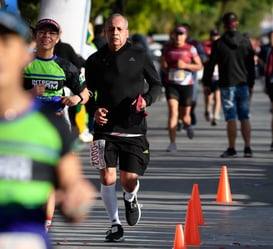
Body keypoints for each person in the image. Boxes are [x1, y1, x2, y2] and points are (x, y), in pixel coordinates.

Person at [0, 9, 96, 249]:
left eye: (7, 43)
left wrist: (76, 200)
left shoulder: (51, 128)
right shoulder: (28, 70)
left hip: (22, 238)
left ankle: (47, 223)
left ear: (23, 55)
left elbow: (72, 189)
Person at [85, 13, 161, 242]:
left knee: (128, 179)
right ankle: (114, 224)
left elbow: (156, 84)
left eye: (119, 29)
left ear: (126, 32)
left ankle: (130, 196)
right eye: (111, 29)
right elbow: (88, 94)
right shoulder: (95, 61)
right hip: (103, 129)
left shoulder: (139, 55)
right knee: (107, 177)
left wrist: (146, 100)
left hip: (133, 129)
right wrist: (94, 110)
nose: (115, 33)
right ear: (105, 32)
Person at [23, 18, 90, 232]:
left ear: (57, 37)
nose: (46, 36)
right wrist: (29, 94)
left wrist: (76, 100)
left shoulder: (64, 66)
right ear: (36, 36)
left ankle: (46, 225)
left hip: (55, 128)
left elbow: (86, 93)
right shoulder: (23, 63)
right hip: (27, 127)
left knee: (51, 177)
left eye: (51, 33)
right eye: (42, 32)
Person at [203, 12, 255, 158]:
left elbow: (211, 65)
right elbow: (251, 66)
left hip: (226, 84)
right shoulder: (245, 42)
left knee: (231, 117)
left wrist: (207, 83)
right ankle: (247, 148)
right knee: (245, 116)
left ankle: (232, 148)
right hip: (243, 83)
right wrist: (251, 84)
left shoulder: (218, 43)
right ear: (236, 23)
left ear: (224, 25)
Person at [161, 25, 203, 152]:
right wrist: (165, 65)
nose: (178, 36)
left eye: (181, 34)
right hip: (172, 84)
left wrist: (185, 65)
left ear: (186, 36)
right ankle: (172, 143)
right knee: (173, 112)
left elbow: (199, 66)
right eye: (176, 34)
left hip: (186, 85)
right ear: (173, 35)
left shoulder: (191, 49)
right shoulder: (167, 49)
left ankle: (188, 125)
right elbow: (163, 65)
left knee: (185, 116)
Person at [202, 29, 221, 126]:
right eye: (213, 35)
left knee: (218, 97)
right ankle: (207, 110)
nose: (215, 37)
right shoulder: (205, 46)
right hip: (208, 74)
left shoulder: (221, 46)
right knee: (208, 96)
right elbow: (202, 58)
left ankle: (214, 116)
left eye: (216, 35)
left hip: (218, 75)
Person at [263, 35, 273, 151]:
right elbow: (268, 70)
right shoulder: (269, 51)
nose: (271, 40)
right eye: (270, 38)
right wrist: (266, 85)